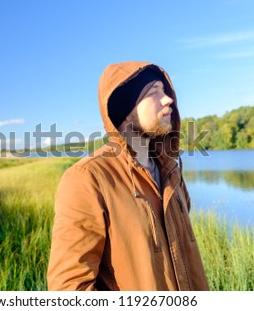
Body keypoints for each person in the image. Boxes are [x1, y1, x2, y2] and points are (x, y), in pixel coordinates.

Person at [47, 61, 209, 290]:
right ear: (124, 110)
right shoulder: (87, 179)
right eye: (153, 92)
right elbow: (70, 289)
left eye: (165, 90)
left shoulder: (171, 171)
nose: (168, 99)